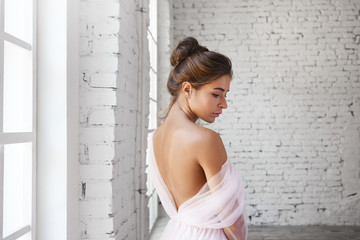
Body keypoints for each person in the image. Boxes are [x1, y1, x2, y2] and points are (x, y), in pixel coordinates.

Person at [147, 37, 247, 240]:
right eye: (216, 94)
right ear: (187, 89)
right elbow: (232, 222)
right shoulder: (205, 140)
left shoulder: (156, 137)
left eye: (226, 94)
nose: (224, 104)